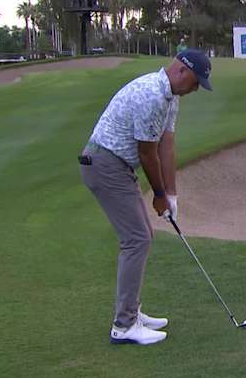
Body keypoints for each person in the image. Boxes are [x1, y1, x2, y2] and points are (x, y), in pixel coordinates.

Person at [79, 49, 213, 346]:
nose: (195, 89)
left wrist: (172, 193)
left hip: (116, 165)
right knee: (136, 239)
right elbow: (146, 153)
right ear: (181, 71)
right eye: (195, 82)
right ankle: (124, 326)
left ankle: (132, 313)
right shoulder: (152, 95)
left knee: (142, 236)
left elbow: (166, 145)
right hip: (105, 165)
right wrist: (159, 195)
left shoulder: (170, 99)